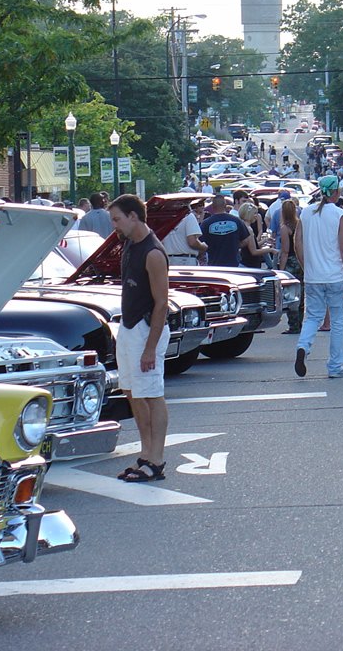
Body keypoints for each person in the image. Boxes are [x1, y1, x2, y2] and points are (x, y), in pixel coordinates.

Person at [109, 194, 171, 482]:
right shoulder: (129, 245)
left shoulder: (153, 253)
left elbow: (161, 304)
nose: (114, 226)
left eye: (117, 219)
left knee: (152, 394)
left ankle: (157, 459)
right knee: (133, 392)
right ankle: (145, 454)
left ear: (134, 216)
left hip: (147, 330)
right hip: (129, 327)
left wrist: (150, 348)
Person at [294, 175, 343, 379]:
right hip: (334, 274)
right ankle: (335, 365)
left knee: (312, 317)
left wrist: (306, 266)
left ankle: (303, 346)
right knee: (337, 321)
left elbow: (298, 243)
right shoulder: (340, 214)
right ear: (336, 192)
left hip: (313, 276)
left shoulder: (305, 213)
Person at [200, 194, 258, 267]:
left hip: (214, 264)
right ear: (225, 205)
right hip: (233, 263)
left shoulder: (206, 223)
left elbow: (200, 242)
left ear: (213, 207)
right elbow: (246, 239)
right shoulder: (236, 221)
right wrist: (235, 246)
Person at [278, 199, 304, 334]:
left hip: (291, 262)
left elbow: (285, 250)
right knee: (301, 293)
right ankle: (300, 322)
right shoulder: (300, 224)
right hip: (301, 259)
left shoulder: (284, 228)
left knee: (291, 294)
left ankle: (294, 325)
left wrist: (280, 270)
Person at [161, 202, 207, 266]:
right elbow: (192, 242)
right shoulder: (189, 216)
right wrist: (203, 246)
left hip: (169, 260)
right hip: (186, 260)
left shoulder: (164, 218)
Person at [237, 201, 276, 268]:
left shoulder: (243, 226)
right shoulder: (249, 229)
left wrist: (265, 240)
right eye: (255, 213)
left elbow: (252, 246)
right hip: (249, 265)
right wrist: (271, 250)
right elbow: (254, 251)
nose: (257, 216)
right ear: (249, 214)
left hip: (247, 263)